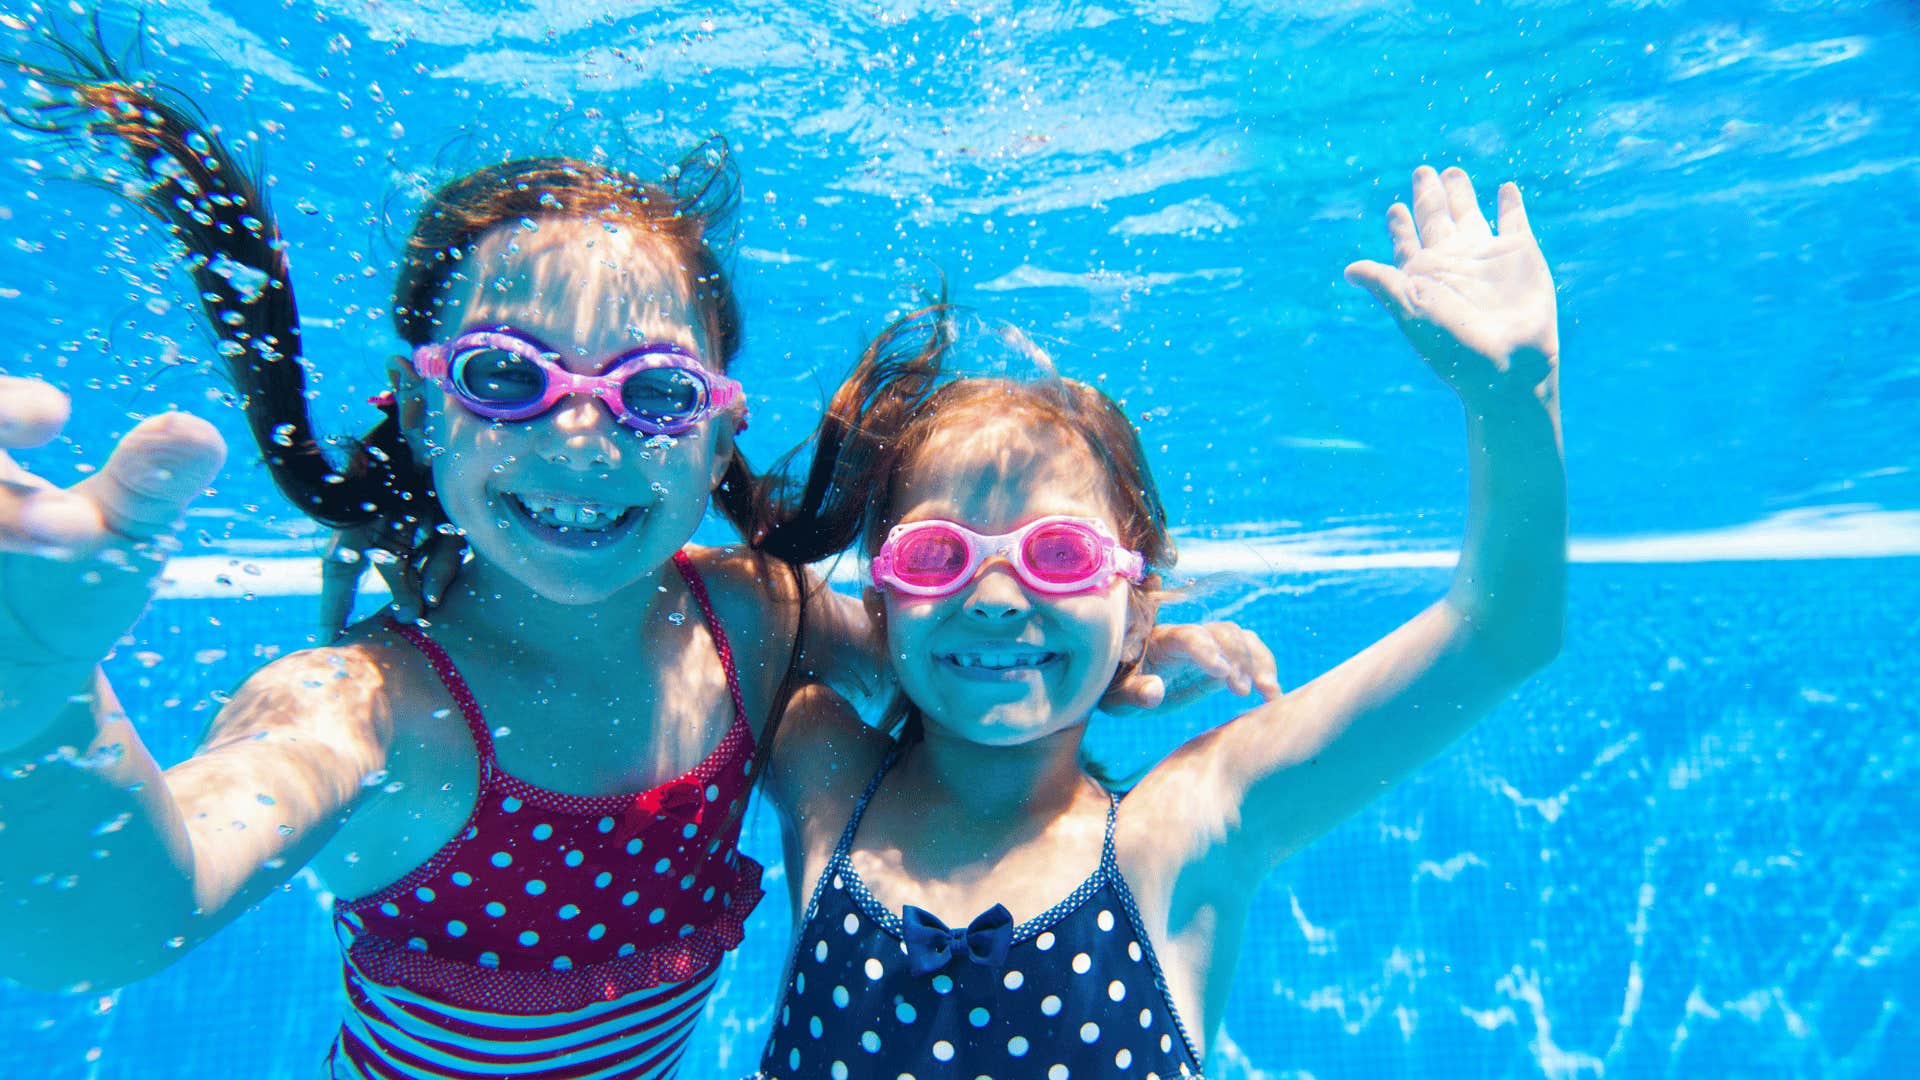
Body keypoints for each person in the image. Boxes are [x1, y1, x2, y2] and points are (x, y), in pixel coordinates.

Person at [0, 47, 1268, 1080]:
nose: (580, 434)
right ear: (423, 408)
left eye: (651, 390)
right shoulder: (365, 712)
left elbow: (949, 640)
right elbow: (111, 920)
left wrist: (1127, 642)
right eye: (506, 376)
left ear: (717, 428)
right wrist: (34, 704)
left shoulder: (758, 621)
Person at [750, 165, 1566, 1078]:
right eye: (938, 556)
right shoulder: (820, 765)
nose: (992, 596)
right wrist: (1097, 666)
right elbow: (741, 608)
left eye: (1058, 557)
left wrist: (1514, 406)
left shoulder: (1181, 830)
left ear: (1136, 601)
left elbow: (1499, 637)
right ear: (879, 596)